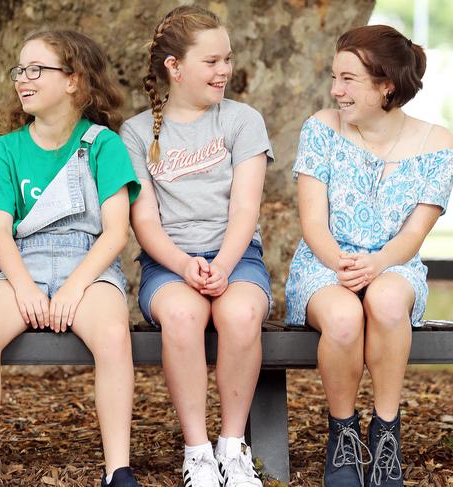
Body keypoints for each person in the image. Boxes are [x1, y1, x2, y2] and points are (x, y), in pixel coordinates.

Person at [0, 30, 142, 487]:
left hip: (88, 262)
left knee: (114, 336)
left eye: (37, 69)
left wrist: (76, 286)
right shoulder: (5, 150)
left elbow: (116, 231)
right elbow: (0, 232)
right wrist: (23, 286)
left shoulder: (103, 145)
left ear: (74, 80)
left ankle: (117, 468)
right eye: (20, 69)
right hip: (22, 262)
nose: (24, 78)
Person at [285, 25, 453, 487]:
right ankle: (342, 435)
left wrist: (378, 264)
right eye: (334, 77)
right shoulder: (321, 129)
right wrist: (340, 263)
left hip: (395, 262)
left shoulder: (437, 144)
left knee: (386, 302)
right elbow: (314, 222)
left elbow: (416, 232)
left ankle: (385, 434)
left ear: (387, 86)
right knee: (341, 319)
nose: (335, 90)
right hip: (325, 261)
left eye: (349, 80)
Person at [121, 6, 274, 487]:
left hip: (237, 254)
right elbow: (144, 220)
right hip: (168, 264)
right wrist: (185, 265)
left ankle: (232, 447)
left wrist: (223, 266)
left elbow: (245, 210)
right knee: (185, 316)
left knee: (241, 315)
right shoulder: (138, 132)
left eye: (226, 59)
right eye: (211, 61)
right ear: (175, 67)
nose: (224, 70)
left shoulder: (242, 121)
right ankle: (199, 452)